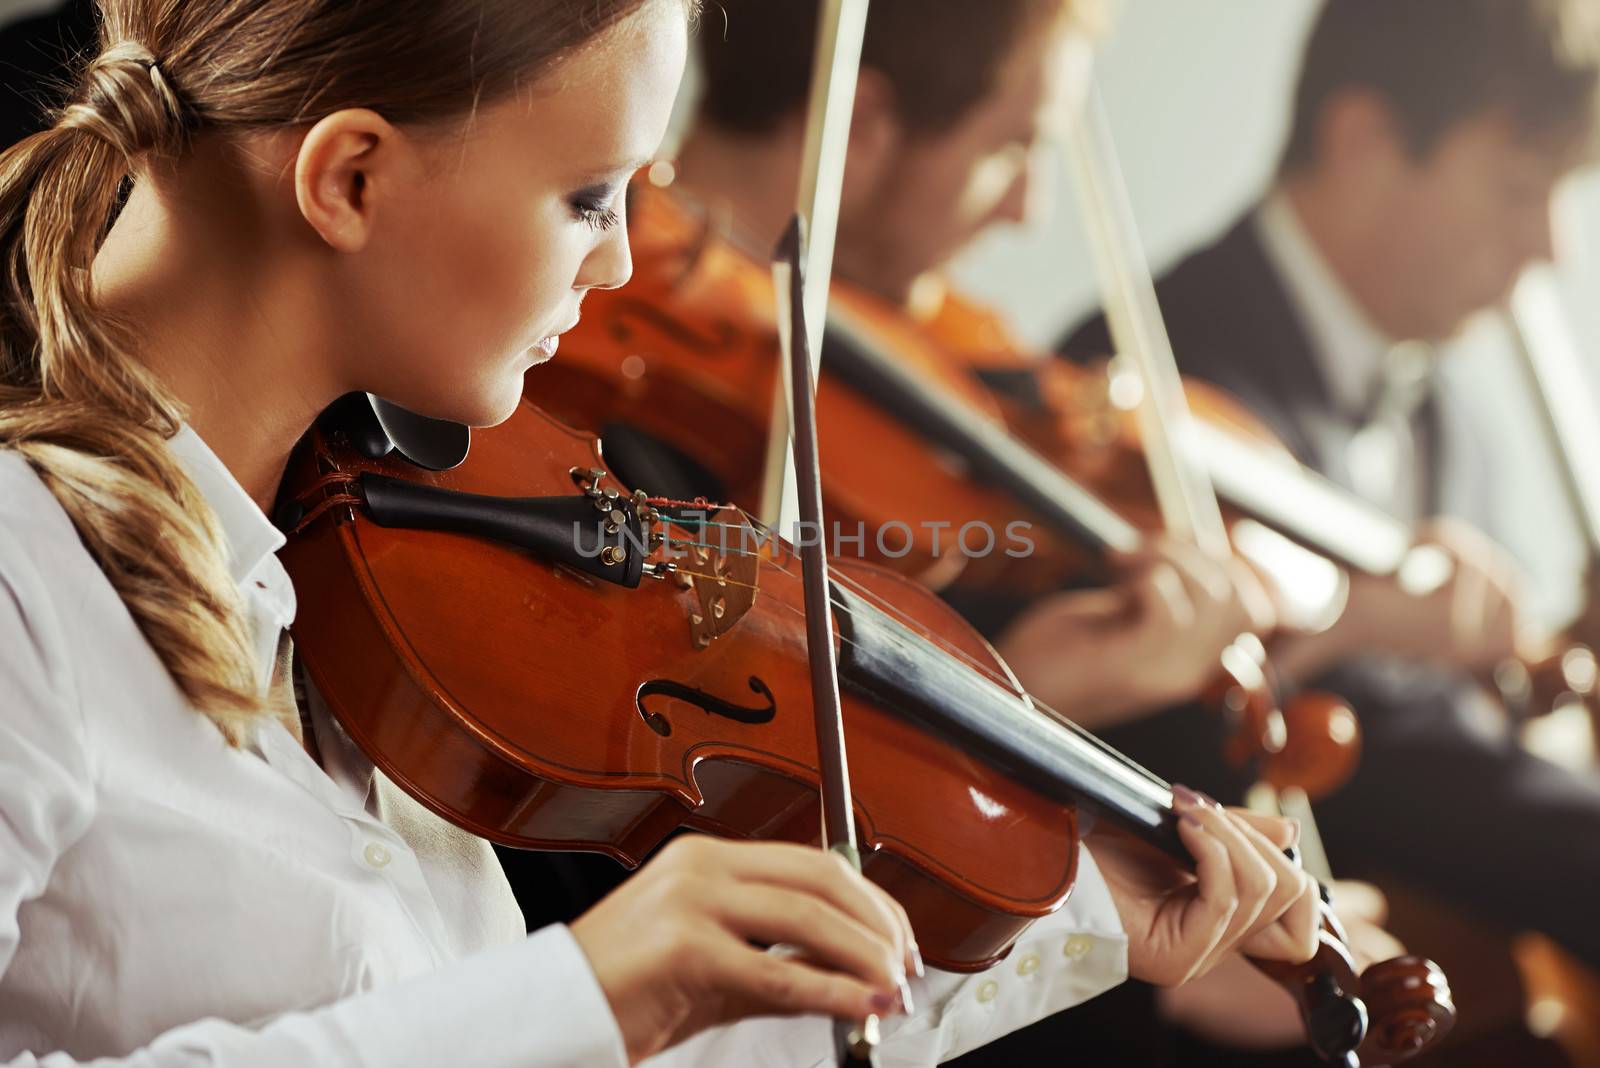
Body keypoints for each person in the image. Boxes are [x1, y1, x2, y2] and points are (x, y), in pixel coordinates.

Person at [0, 1, 1324, 1065]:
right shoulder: (23, 578)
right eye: (588, 196)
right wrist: (589, 990)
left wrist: (1085, 917)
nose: (628, 264)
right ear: (350, 177)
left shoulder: (361, 567)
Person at [531, 1, 1400, 1063]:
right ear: (865, 123)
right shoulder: (577, 424)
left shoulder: (930, 426)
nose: (1030, 210)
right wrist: (1034, 698)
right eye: (1010, 148)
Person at [1062, 0, 1600, 977]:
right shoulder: (1142, 388)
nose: (1551, 248)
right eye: (1522, 189)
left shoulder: (1454, 428)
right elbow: (1400, 766)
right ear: (1361, 140)